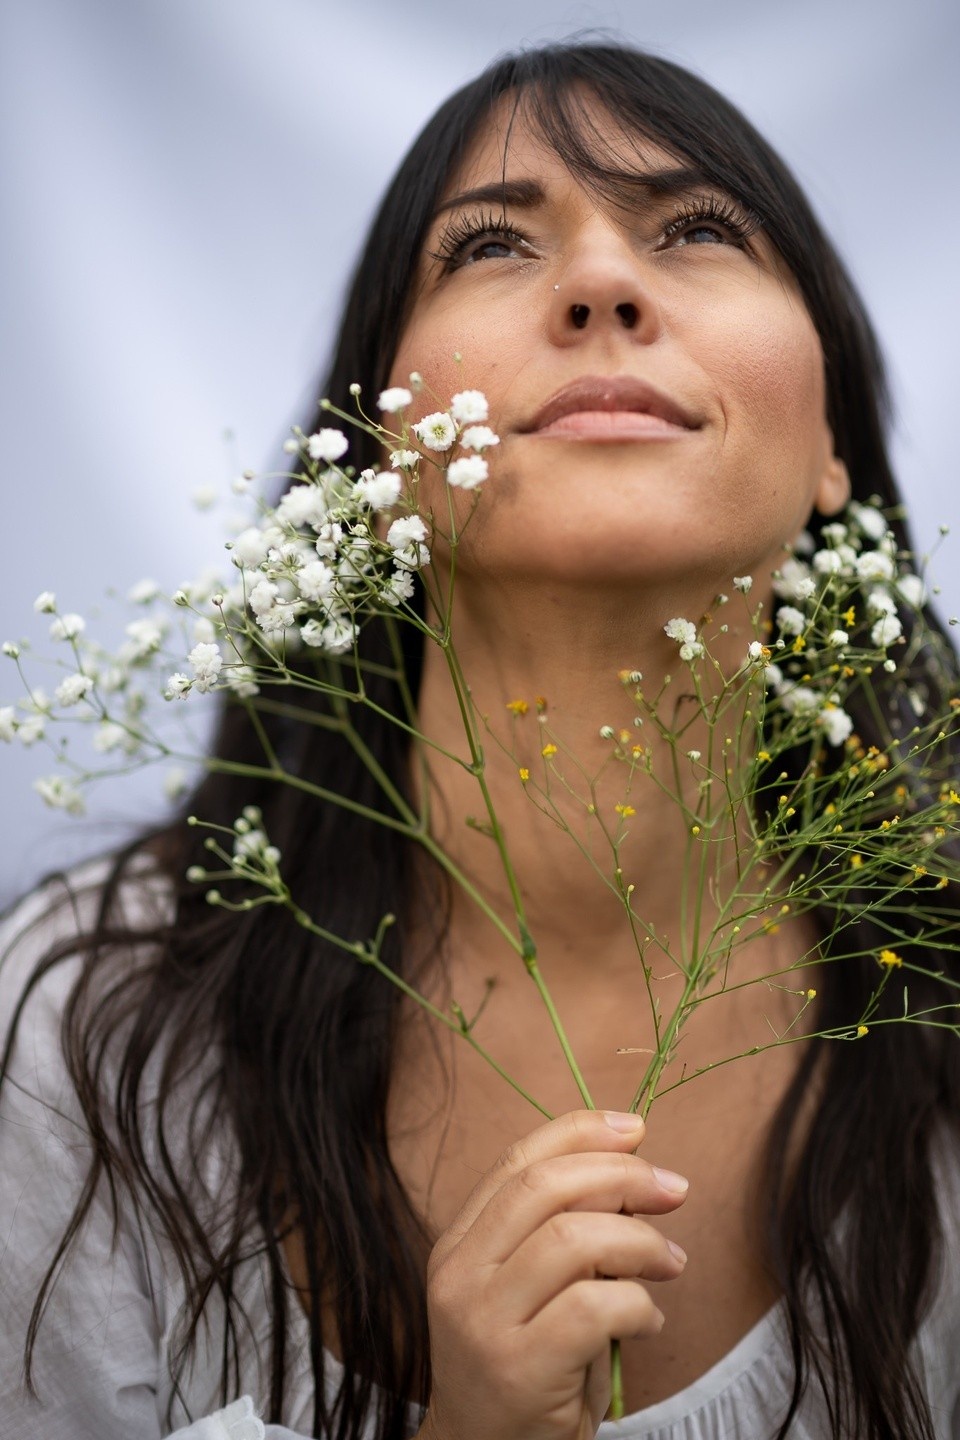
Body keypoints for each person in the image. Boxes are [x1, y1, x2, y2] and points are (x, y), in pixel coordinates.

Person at [2, 38, 959, 1440]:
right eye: (492, 244)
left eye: (699, 229)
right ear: (380, 457)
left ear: (832, 449)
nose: (602, 281)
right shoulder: (86, 1037)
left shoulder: (939, 1007)